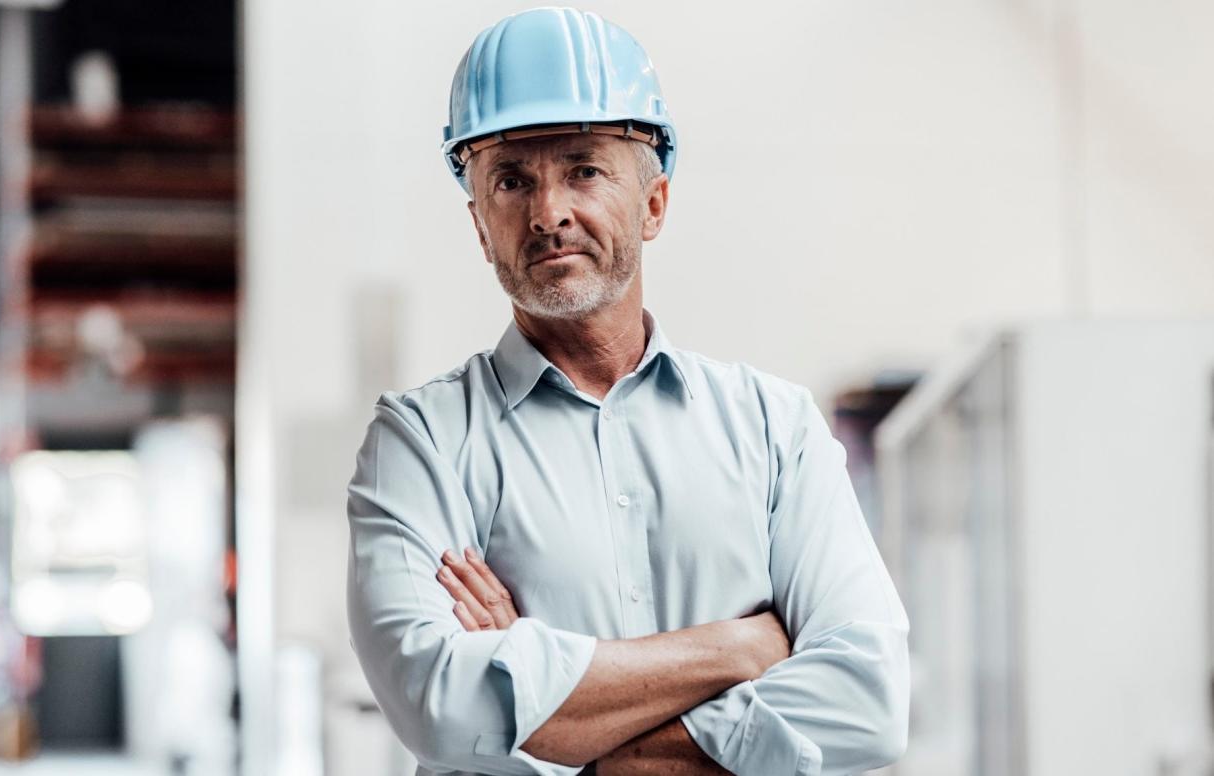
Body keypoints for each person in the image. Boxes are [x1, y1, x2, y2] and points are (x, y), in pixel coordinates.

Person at [346, 8, 910, 775]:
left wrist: (563, 714)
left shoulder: (777, 429)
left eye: (583, 168)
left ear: (653, 205)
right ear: (480, 225)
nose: (550, 213)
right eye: (511, 180)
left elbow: (870, 702)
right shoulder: (422, 442)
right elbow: (443, 711)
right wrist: (739, 648)